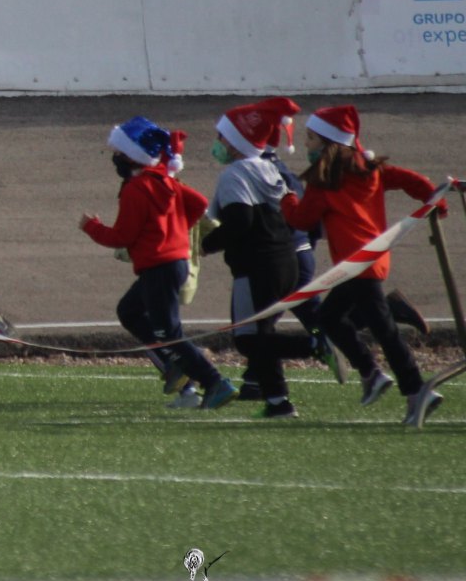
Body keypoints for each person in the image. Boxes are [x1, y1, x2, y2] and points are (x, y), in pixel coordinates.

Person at [282, 105, 445, 428]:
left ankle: (414, 387)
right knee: (330, 318)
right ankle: (372, 372)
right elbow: (412, 180)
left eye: (311, 139)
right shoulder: (371, 169)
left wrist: (286, 199)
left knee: (382, 329)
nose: (306, 145)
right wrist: (436, 200)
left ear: (328, 143)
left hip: (356, 262)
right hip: (372, 258)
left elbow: (301, 219)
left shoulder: (322, 180)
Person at [81, 116, 237, 411]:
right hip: (172, 263)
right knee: (130, 311)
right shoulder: (166, 181)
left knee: (168, 332)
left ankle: (214, 381)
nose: (116, 160)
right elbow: (199, 203)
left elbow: (121, 236)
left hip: (159, 266)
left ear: (131, 157)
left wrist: (91, 227)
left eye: (120, 154)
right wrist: (179, 231)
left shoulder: (135, 189)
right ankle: (177, 368)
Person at [200, 97, 305, 420]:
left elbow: (239, 223)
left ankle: (319, 345)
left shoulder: (236, 174)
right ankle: (277, 400)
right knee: (264, 335)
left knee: (247, 340)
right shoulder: (269, 167)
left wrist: (207, 244)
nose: (218, 143)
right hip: (285, 259)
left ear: (235, 142)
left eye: (222, 137)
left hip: (257, 265)